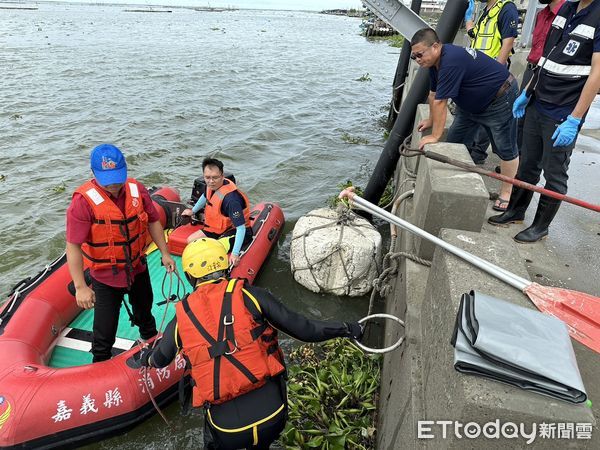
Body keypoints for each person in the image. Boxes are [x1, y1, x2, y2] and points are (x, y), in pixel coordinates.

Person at [133, 238, 364, 450]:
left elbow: (160, 359)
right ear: (225, 266)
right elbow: (306, 330)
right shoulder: (252, 295)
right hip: (273, 416)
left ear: (190, 275)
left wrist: (144, 358)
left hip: (227, 431)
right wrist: (347, 328)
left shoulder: (181, 318)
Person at [488, 0, 600, 242]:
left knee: (554, 170)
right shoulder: (568, 9)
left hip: (563, 110)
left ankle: (541, 226)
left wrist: (575, 118)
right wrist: (528, 92)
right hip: (538, 100)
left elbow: (597, 72)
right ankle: (516, 210)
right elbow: (545, 58)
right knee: (528, 163)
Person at [66, 143, 176, 363]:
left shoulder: (137, 189)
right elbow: (73, 245)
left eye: (118, 179)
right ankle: (100, 367)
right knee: (104, 332)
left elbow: (153, 220)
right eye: (108, 181)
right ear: (94, 174)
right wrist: (80, 287)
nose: (114, 186)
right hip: (105, 277)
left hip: (137, 268)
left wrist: (165, 253)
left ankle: (154, 354)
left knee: (146, 315)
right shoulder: (82, 202)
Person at [413, 28, 519, 211]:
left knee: (504, 147)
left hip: (499, 98)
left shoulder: (451, 60)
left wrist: (435, 135)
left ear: (436, 46)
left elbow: (441, 102)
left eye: (420, 54)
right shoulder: (433, 63)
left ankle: (507, 191)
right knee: (455, 140)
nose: (418, 60)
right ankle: (451, 183)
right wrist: (431, 120)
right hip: (469, 105)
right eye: (414, 57)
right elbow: (433, 95)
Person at [464, 0, 519, 165]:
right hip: (478, 73)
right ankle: (473, 150)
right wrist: (468, 21)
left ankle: (478, 153)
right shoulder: (486, 11)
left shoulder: (506, 8)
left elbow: (508, 43)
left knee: (489, 117)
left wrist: (495, 75)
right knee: (478, 113)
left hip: (490, 75)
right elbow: (477, 35)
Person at [182, 158, 252, 267]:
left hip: (233, 231)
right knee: (190, 241)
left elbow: (241, 228)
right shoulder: (210, 186)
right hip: (216, 228)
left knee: (213, 251)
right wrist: (192, 211)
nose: (211, 181)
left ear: (222, 175)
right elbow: (205, 196)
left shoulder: (231, 200)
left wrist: (235, 254)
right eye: (207, 177)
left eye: (215, 177)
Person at [516, 0, 566, 149]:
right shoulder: (541, 15)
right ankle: (517, 165)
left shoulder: (566, 14)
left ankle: (530, 167)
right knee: (522, 121)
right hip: (531, 69)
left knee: (540, 123)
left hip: (549, 75)